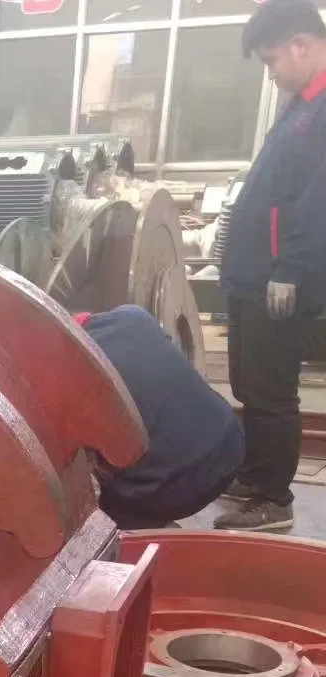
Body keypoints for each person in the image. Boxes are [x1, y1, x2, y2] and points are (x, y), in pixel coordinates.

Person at [216, 0, 326, 533]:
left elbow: (317, 203)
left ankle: (273, 500)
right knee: (248, 383)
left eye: (272, 60)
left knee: (272, 390)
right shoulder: (301, 105)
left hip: (279, 279)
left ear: (300, 45)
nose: (271, 72)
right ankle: (255, 475)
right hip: (253, 274)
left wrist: (289, 270)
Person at [77, 307, 245, 530]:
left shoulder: (71, 373)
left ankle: (147, 528)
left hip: (170, 489)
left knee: (95, 510)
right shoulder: (133, 316)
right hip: (231, 447)